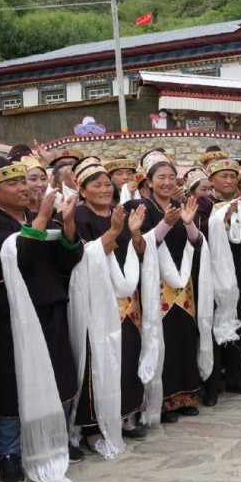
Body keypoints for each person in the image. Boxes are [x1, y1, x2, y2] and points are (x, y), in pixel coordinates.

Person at [0, 157, 85, 482]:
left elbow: (69, 259)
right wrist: (40, 219)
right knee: (10, 382)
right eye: (13, 184)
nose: (24, 188)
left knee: (57, 375)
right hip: (9, 313)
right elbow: (18, 257)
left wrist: (67, 223)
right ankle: (9, 453)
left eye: (24, 181)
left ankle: (57, 438)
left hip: (48, 307)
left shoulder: (41, 216)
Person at [72, 159, 148, 442]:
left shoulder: (121, 212)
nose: (104, 189)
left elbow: (139, 252)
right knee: (100, 358)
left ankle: (125, 415)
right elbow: (81, 259)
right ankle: (93, 427)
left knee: (127, 354)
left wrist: (135, 233)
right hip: (98, 298)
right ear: (82, 190)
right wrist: (113, 233)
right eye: (97, 185)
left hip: (127, 295)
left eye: (107, 184)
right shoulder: (78, 216)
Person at [124, 151, 203, 423]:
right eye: (161, 177)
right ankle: (163, 400)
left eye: (171, 177)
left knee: (184, 335)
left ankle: (187, 395)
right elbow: (140, 245)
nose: (167, 182)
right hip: (154, 282)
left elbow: (196, 242)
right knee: (161, 338)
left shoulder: (182, 206)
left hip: (182, 279)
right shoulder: (138, 207)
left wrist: (188, 224)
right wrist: (165, 225)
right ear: (148, 181)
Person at [201, 151, 241, 404]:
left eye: (232, 176)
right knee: (215, 323)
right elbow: (198, 233)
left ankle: (236, 377)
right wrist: (222, 218)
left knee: (238, 320)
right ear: (212, 179)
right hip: (212, 273)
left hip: (240, 270)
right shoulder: (203, 203)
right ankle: (212, 383)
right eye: (223, 176)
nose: (228, 181)